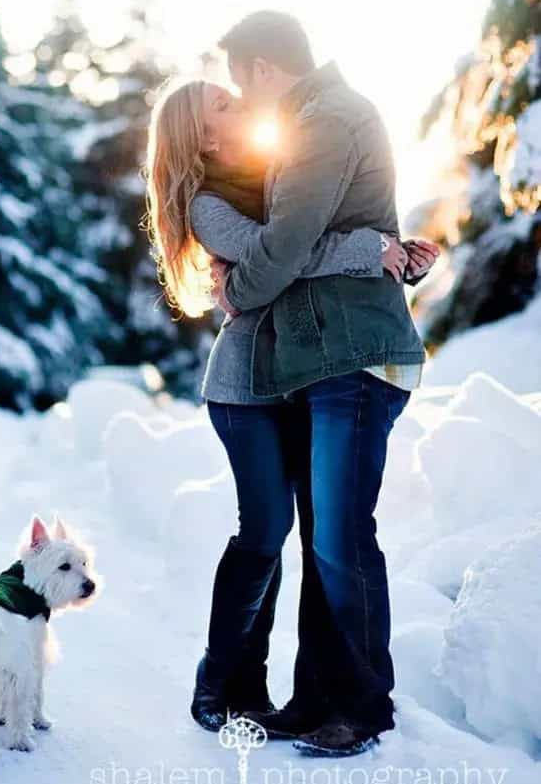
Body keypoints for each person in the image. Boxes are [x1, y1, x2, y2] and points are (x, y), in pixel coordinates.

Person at [144, 68, 438, 745]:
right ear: (202, 138)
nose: (240, 104)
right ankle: (220, 681)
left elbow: (309, 252)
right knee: (264, 529)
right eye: (223, 103)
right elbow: (278, 254)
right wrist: (369, 250)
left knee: (300, 535)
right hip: (246, 388)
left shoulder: (278, 173)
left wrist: (399, 260)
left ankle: (272, 690)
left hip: (297, 380)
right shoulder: (209, 204)